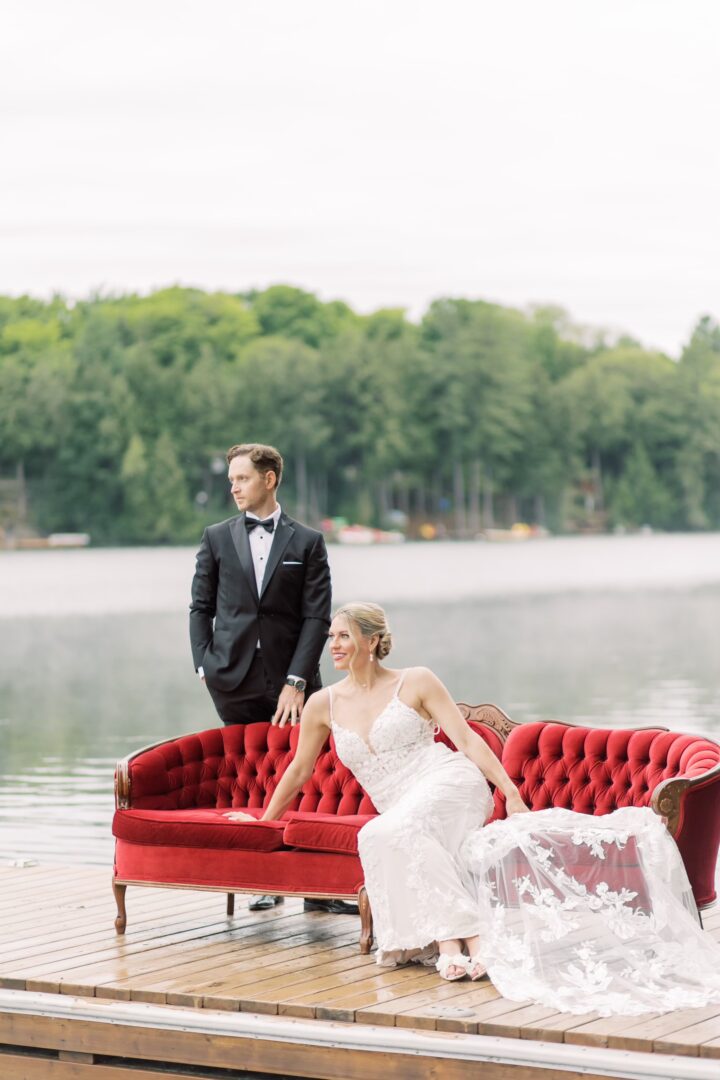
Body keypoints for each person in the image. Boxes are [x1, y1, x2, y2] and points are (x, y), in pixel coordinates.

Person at [227, 602, 720, 1016]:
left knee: (384, 834)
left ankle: (464, 941)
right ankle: (457, 940)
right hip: (401, 806)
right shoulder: (322, 704)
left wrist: (508, 790)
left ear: (374, 641)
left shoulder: (415, 680)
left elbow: (464, 739)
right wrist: (263, 823)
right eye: (331, 636)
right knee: (391, 832)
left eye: (344, 636)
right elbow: (296, 771)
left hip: (449, 783)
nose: (333, 644)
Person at [190, 443, 353, 914]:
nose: (234, 488)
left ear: (269, 479)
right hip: (232, 679)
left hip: (294, 681)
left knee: (310, 772)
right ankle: (265, 878)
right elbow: (200, 607)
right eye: (231, 481)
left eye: (241, 479)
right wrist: (206, 664)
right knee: (250, 778)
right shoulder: (216, 537)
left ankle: (317, 888)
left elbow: (317, 618)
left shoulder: (306, 542)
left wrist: (297, 680)